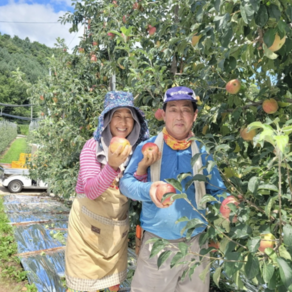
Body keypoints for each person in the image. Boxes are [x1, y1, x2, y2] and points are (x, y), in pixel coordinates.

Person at [120, 86, 228, 292]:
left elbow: (217, 191)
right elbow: (126, 184)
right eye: (173, 109)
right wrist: (148, 189)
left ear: (194, 115)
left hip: (196, 244)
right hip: (157, 245)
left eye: (186, 110)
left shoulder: (202, 152)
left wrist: (227, 205)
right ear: (163, 114)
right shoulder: (149, 146)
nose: (179, 116)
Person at [65, 91, 156, 292]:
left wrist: (141, 168)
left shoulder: (135, 152)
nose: (123, 121)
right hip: (86, 230)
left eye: (128, 117)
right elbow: (90, 191)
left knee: (113, 282)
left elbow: (132, 191)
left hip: (114, 231)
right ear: (107, 120)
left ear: (135, 123)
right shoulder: (92, 147)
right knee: (83, 281)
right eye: (117, 115)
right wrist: (112, 166)